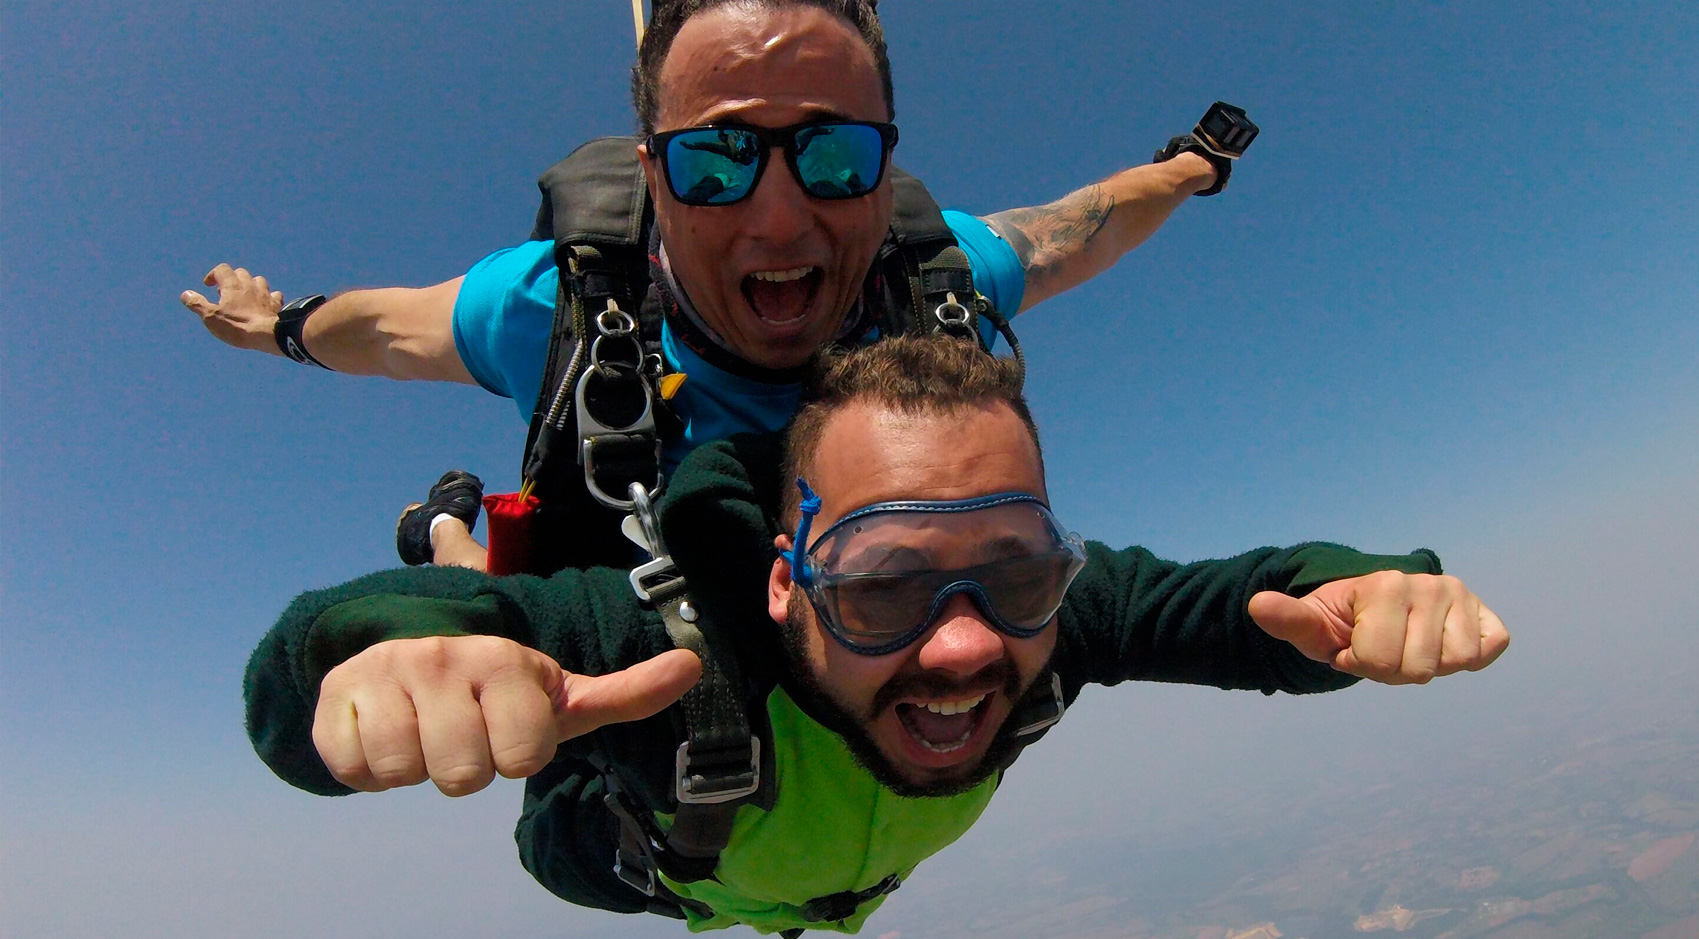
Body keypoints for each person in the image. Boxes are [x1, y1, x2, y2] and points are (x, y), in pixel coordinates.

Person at [244, 336, 1509, 937]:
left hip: (778, 875)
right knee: (498, 657)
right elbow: (316, 682)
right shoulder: (677, 643)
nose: (965, 647)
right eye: (886, 587)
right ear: (788, 584)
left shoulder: (1057, 617)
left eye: (1014, 570)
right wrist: (379, 658)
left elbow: (1251, 599)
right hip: (622, 854)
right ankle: (449, 530)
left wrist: (1374, 592)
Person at [182, 0, 1251, 572]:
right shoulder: (561, 302)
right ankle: (448, 523)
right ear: (652, 177)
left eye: (833, 157)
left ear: (886, 174)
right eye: (715, 162)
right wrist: (274, 325)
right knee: (495, 599)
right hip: (627, 614)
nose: (779, 218)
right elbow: (384, 329)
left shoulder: (928, 274)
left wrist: (1190, 170)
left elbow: (1087, 223)